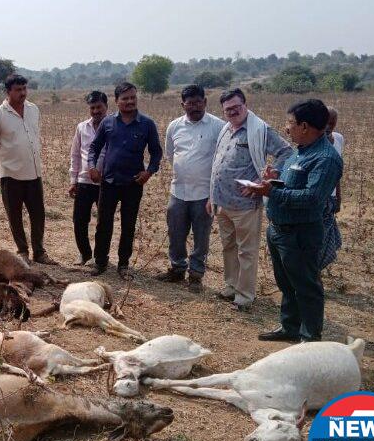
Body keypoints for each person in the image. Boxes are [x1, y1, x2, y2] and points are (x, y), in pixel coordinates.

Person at [241, 99, 342, 343]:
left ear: (305, 126)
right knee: (287, 283)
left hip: (300, 233)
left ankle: (309, 338)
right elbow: (295, 183)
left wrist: (271, 192)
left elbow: (312, 198)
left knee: (306, 286)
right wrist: (275, 177)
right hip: (280, 230)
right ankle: (290, 327)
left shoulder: (325, 158)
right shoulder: (301, 149)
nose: (287, 129)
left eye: (291, 123)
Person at [209, 88, 293, 311]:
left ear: (245, 105)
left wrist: (265, 178)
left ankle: (245, 296)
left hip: (245, 203)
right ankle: (231, 286)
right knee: (228, 246)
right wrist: (211, 196)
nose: (233, 112)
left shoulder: (260, 130)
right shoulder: (226, 129)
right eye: (228, 109)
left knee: (246, 250)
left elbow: (287, 152)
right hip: (223, 202)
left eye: (237, 107)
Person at [88, 82, 163, 279]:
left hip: (133, 184)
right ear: (117, 101)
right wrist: (92, 166)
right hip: (109, 182)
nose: (130, 101)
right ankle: (100, 262)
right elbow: (94, 148)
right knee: (103, 224)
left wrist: (149, 172)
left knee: (128, 225)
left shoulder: (147, 124)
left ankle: (123, 265)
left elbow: (156, 153)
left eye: (133, 98)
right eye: (125, 98)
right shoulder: (108, 123)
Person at [157, 84, 224, 292]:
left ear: (205, 102)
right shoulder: (174, 126)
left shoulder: (218, 126)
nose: (194, 106)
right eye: (190, 103)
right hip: (178, 191)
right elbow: (170, 154)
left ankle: (196, 275)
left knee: (201, 236)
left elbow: (222, 159)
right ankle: (177, 269)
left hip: (205, 194)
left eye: (198, 102)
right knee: (175, 232)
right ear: (182, 104)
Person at [0, 74, 57, 265]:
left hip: (34, 173)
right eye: (18, 90)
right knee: (15, 216)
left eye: (24, 89)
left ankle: (40, 252)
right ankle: (22, 251)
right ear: (8, 91)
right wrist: (6, 161)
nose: (23, 93)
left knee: (38, 214)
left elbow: (35, 136)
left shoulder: (33, 109)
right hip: (10, 175)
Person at [69, 91, 108, 266]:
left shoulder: (113, 126)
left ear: (106, 107)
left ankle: (100, 257)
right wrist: (73, 180)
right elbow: (75, 155)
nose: (95, 111)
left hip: (105, 183)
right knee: (79, 220)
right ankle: (85, 254)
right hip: (84, 182)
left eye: (99, 107)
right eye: (92, 108)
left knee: (103, 222)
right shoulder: (81, 127)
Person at [320, 106, 343, 269]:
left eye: (332, 123)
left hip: (332, 197)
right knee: (317, 239)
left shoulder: (339, 139)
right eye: (326, 122)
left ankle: (317, 270)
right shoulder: (313, 141)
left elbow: (338, 170)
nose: (329, 126)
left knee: (327, 237)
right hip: (318, 198)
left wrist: (339, 197)